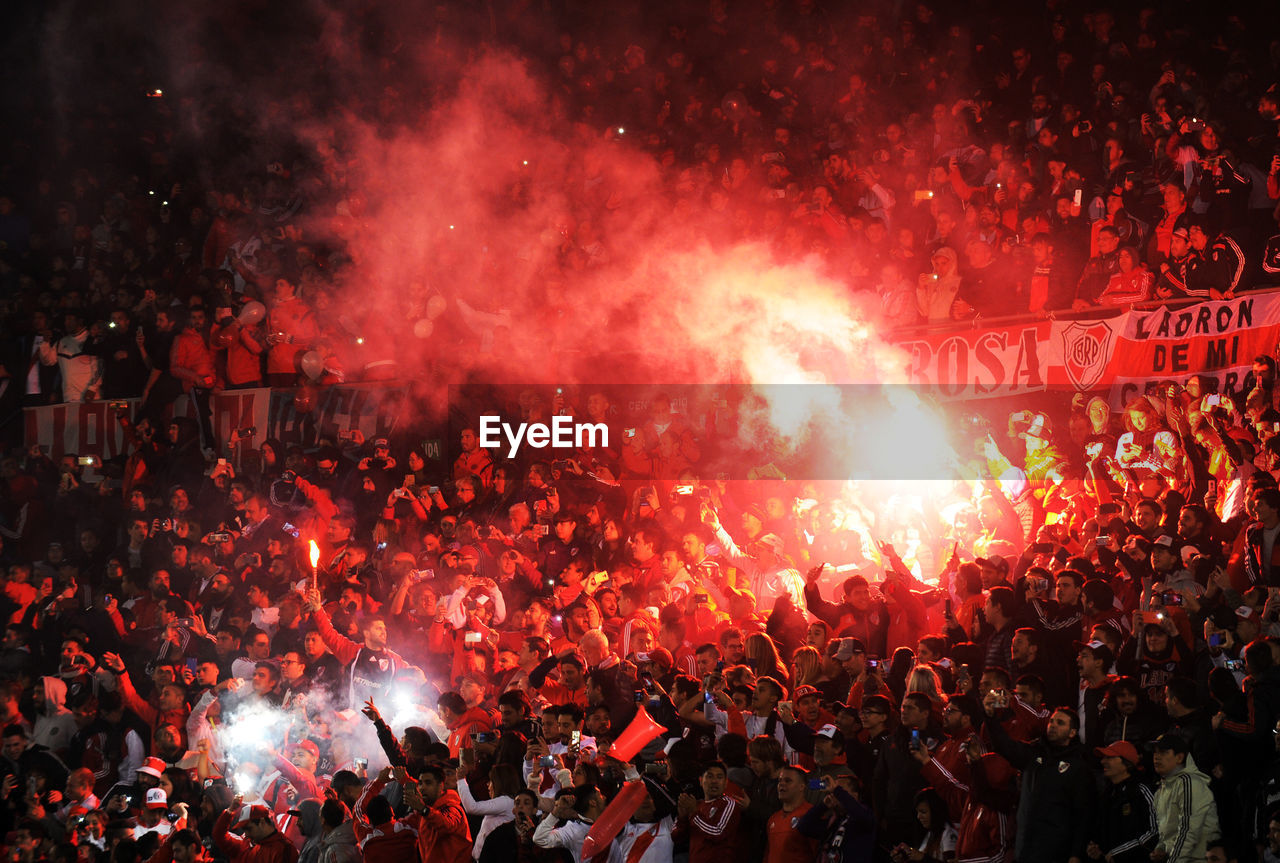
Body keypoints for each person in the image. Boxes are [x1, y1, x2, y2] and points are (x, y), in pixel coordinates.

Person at [1150, 733, 1220, 863]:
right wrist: (1161, 848)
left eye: (1163, 752)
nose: (1156, 757)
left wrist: (1173, 860)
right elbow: (1166, 831)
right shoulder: (1162, 789)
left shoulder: (1189, 783)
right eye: (1155, 752)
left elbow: (1189, 831)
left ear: (1180, 757)